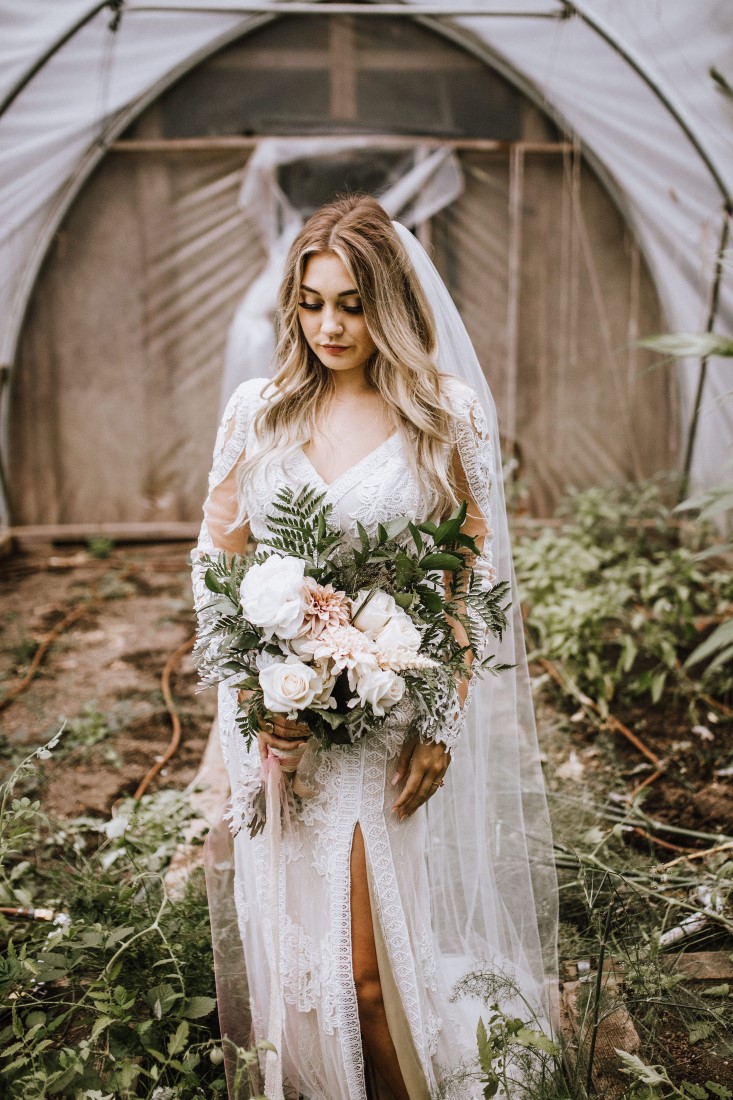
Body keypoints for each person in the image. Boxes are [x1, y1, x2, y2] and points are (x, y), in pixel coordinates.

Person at [192, 194, 557, 1100]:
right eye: (312, 302)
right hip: (278, 725)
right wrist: (252, 696)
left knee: (362, 974)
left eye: (351, 303)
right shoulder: (259, 410)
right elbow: (216, 562)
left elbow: (459, 584)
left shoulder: (445, 415)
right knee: (302, 963)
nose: (328, 325)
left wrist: (439, 723)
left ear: (387, 302)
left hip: (383, 728)